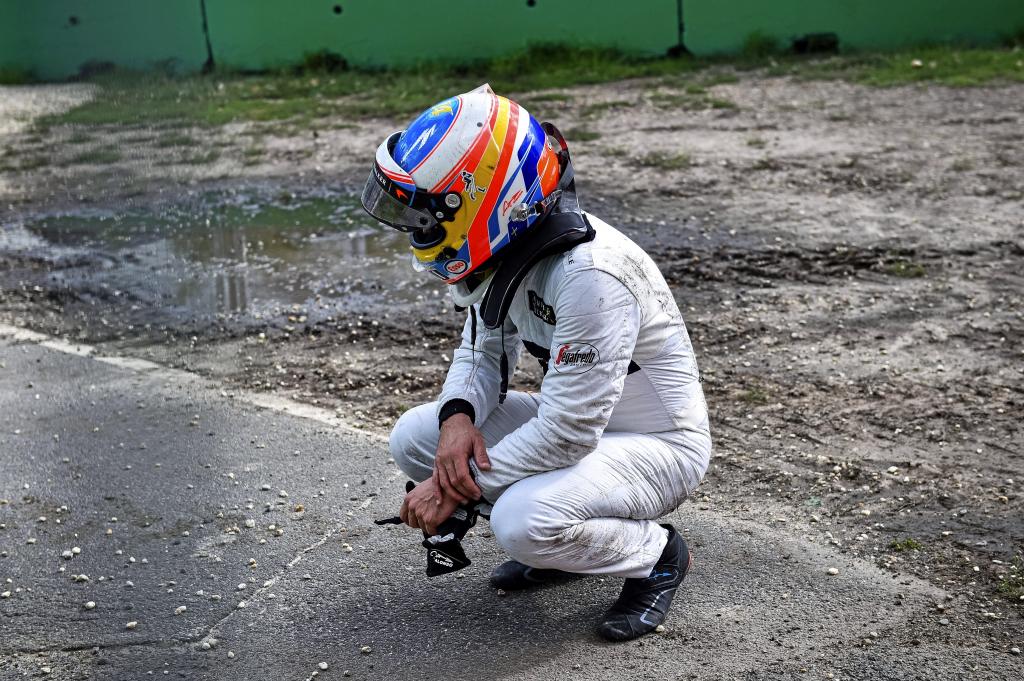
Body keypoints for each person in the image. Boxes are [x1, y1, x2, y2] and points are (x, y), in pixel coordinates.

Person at [360, 84, 711, 641]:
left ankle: (657, 554)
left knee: (521, 522)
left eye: (427, 215)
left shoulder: (593, 276)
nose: (417, 229)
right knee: (416, 438)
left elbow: (568, 432)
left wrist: (455, 486)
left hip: (660, 447)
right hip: (581, 429)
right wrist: (456, 423)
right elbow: (481, 351)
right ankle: (567, 553)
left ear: (480, 200)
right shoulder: (511, 244)